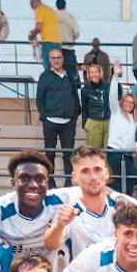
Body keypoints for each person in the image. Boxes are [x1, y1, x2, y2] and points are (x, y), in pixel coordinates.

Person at [43, 146, 137, 261]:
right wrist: (59, 225)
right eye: (85, 171)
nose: (93, 177)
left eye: (97, 170)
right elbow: (51, 244)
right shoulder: (69, 209)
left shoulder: (122, 204)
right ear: (74, 177)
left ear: (106, 174)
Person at [0, 151, 80, 262]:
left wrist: (111, 195)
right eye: (24, 178)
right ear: (13, 183)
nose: (33, 185)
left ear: (47, 183)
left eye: (40, 179)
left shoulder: (62, 199)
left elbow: (96, 190)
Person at [36, 45, 80, 185]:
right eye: (53, 58)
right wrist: (44, 117)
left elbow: (75, 95)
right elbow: (39, 99)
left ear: (63, 59)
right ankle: (50, 182)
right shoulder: (44, 77)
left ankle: (68, 182)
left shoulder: (70, 75)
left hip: (68, 122)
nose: (56, 60)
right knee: (50, 154)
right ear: (49, 60)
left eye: (58, 58)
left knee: (68, 154)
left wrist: (74, 114)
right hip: (50, 121)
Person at [107, 87, 137, 194]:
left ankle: (126, 206)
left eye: (132, 103)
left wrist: (136, 145)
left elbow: (135, 137)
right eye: (127, 101)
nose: (129, 104)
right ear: (122, 101)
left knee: (131, 179)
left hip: (128, 154)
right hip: (115, 152)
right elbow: (112, 96)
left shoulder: (134, 119)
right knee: (118, 182)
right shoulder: (116, 112)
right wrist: (115, 76)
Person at [80, 62, 112, 149]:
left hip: (108, 121)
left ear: (100, 73)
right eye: (91, 72)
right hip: (93, 121)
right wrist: (85, 124)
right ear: (88, 75)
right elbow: (84, 108)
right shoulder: (85, 90)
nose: (94, 74)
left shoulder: (107, 87)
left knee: (107, 153)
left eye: (96, 72)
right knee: (94, 153)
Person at [26, 0, 60, 69]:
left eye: (32, 7)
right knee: (56, 67)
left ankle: (49, 80)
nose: (34, 10)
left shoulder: (39, 9)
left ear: (34, 4)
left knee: (48, 68)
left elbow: (39, 27)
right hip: (57, 42)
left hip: (48, 42)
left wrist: (32, 35)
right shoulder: (50, 10)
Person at [54, 0, 79, 80]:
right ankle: (72, 92)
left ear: (56, 6)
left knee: (55, 76)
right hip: (68, 49)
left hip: (55, 49)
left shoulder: (52, 16)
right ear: (65, 6)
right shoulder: (70, 17)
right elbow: (76, 32)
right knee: (71, 76)